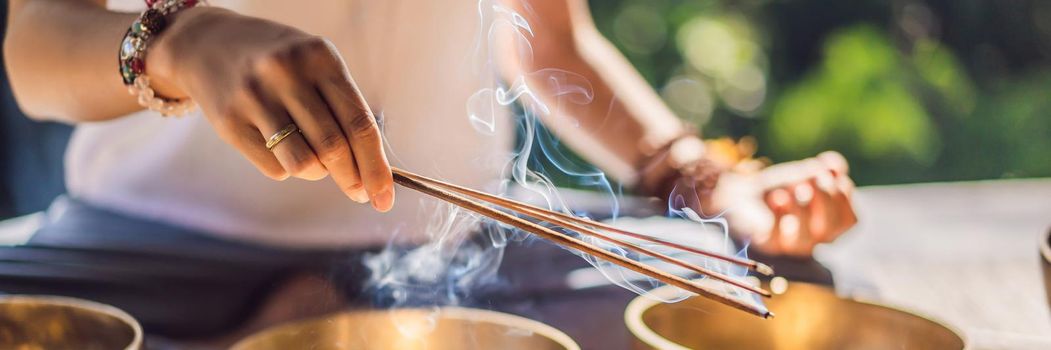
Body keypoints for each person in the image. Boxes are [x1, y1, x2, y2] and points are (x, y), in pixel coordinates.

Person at [2, 0, 856, 345]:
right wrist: (177, 44)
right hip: (148, 252)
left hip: (457, 259)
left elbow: (548, 40)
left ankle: (318, 321)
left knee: (773, 288)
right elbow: (37, 46)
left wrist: (702, 180)